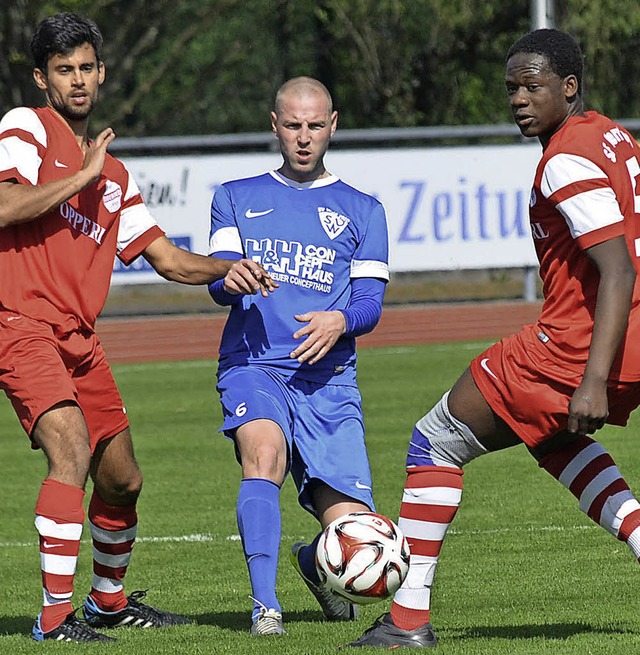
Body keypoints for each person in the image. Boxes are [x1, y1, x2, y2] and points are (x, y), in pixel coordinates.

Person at [348, 28, 640, 649]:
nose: (518, 99)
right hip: (629, 336)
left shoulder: (564, 160)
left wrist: (592, 377)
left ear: (568, 87)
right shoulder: (613, 136)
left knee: (436, 440)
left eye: (532, 86)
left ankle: (407, 622)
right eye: (511, 87)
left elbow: (617, 268)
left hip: (579, 344)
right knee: (553, 441)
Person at [0, 12, 274, 643]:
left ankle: (107, 601)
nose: (77, 80)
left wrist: (226, 268)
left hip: (78, 340)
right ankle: (53, 620)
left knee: (123, 479)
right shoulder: (27, 129)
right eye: (63, 70)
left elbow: (167, 257)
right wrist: (81, 177)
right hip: (19, 324)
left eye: (86, 68)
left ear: (101, 73)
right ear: (42, 79)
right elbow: (5, 203)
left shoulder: (114, 175)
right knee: (68, 450)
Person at [207, 76, 390, 635]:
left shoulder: (363, 209)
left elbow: (369, 305)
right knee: (263, 457)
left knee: (357, 537)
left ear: (333, 125)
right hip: (255, 364)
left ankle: (314, 564)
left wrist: (341, 319)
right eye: (292, 125)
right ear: (274, 125)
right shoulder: (235, 196)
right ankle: (266, 608)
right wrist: (231, 280)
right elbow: (218, 285)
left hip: (328, 382)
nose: (303, 137)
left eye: (315, 125)